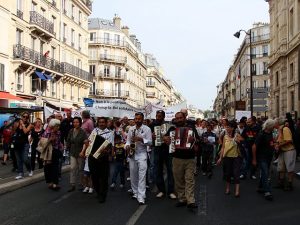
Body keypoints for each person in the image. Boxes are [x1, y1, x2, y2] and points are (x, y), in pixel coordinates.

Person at [163, 112, 199, 210]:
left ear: (184, 118)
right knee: (179, 180)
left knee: (189, 180)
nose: (179, 119)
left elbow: (197, 141)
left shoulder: (192, 128)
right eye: (177, 118)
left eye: (180, 118)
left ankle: (190, 200)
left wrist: (194, 142)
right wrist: (167, 140)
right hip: (177, 158)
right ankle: (182, 199)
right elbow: (165, 139)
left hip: (190, 158)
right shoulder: (172, 129)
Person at [125, 112, 152, 205]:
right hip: (132, 154)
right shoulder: (131, 129)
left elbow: (150, 142)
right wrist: (127, 146)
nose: (137, 120)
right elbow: (127, 141)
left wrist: (141, 139)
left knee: (142, 176)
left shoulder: (147, 129)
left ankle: (141, 196)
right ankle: (135, 192)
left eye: (139, 119)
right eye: (136, 118)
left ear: (142, 119)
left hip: (142, 154)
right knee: (133, 175)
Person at [151, 110, 176, 199]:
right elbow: (149, 138)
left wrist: (169, 138)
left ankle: (171, 191)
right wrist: (152, 137)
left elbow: (173, 138)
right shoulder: (152, 125)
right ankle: (161, 190)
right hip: (157, 150)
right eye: (157, 116)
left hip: (168, 150)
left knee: (170, 170)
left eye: (160, 116)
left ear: (163, 117)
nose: (158, 118)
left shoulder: (170, 126)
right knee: (158, 170)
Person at [88, 117, 114, 203]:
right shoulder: (95, 131)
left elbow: (110, 146)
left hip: (103, 157)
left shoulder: (110, 133)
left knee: (103, 177)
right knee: (94, 176)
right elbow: (90, 141)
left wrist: (109, 152)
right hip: (93, 156)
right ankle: (98, 191)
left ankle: (103, 195)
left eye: (103, 122)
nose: (101, 124)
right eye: (100, 122)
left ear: (106, 123)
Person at [217, 120, 242, 198]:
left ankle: (237, 191)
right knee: (228, 173)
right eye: (227, 127)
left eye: (229, 127)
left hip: (236, 157)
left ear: (233, 128)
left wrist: (238, 141)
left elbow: (243, 142)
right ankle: (227, 188)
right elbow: (223, 148)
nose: (227, 128)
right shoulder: (225, 136)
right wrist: (220, 158)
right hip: (227, 158)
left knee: (236, 173)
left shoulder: (237, 135)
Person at [252, 119, 276, 201]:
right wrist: (254, 159)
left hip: (269, 157)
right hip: (262, 157)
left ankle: (260, 187)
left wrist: (274, 145)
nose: (274, 127)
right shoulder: (261, 134)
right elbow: (254, 147)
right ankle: (267, 192)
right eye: (273, 126)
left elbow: (270, 143)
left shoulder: (270, 133)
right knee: (265, 173)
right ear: (269, 126)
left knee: (265, 173)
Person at [67, 117, 89, 192]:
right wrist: (67, 148)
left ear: (80, 123)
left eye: (77, 122)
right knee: (73, 168)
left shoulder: (83, 132)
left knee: (80, 169)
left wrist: (83, 151)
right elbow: (68, 140)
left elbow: (86, 142)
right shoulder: (71, 131)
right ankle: (72, 184)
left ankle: (81, 183)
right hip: (73, 152)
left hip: (80, 152)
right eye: (74, 122)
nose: (75, 124)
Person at [42, 119, 63, 190]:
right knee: (48, 167)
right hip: (48, 152)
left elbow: (59, 141)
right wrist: (50, 139)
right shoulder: (47, 132)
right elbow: (42, 143)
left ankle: (55, 183)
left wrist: (61, 146)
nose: (58, 127)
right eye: (57, 126)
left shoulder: (59, 132)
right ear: (52, 126)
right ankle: (50, 182)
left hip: (56, 151)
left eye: (58, 126)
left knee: (55, 168)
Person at [276, 118, 297, 191]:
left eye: (275, 123)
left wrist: (279, 145)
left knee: (289, 168)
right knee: (281, 167)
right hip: (283, 150)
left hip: (289, 150)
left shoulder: (285, 129)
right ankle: (281, 183)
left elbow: (289, 140)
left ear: (278, 123)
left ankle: (289, 184)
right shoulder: (279, 130)